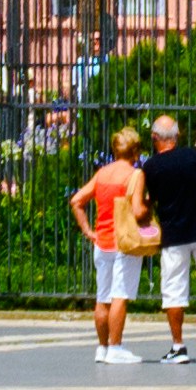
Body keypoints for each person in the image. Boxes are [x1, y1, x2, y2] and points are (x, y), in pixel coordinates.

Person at [140, 118, 196, 363]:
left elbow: (149, 200)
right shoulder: (191, 156)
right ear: (177, 136)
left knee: (174, 290)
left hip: (174, 233)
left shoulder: (151, 167)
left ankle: (178, 346)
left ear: (154, 138)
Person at [68, 120, 155, 365]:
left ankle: (102, 347)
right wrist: (150, 204)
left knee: (103, 297)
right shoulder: (135, 175)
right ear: (136, 152)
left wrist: (88, 230)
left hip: (102, 241)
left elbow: (77, 201)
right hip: (124, 242)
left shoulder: (102, 173)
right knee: (120, 295)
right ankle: (116, 346)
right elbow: (137, 211)